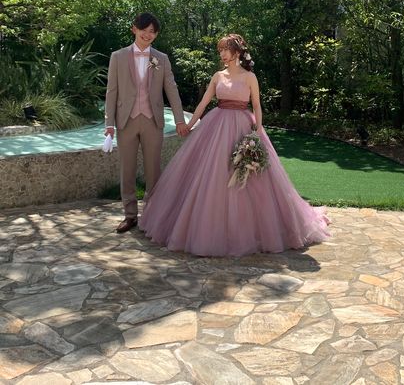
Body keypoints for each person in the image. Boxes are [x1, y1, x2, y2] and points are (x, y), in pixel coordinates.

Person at [139, 33, 330, 257]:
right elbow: (203, 103)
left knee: (250, 177)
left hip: (243, 127)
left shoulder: (250, 77)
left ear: (237, 52)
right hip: (216, 126)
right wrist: (189, 125)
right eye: (220, 50)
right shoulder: (217, 76)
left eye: (225, 49)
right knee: (214, 173)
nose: (221, 54)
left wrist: (257, 131)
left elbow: (256, 105)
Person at [104, 13, 190, 234]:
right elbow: (111, 92)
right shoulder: (118, 57)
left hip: (153, 121)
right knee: (127, 169)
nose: (148, 34)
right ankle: (130, 215)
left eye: (153, 31)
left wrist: (180, 120)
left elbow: (172, 90)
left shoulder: (161, 58)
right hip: (126, 121)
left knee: (154, 170)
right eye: (144, 29)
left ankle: (152, 215)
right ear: (134, 29)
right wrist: (109, 124)